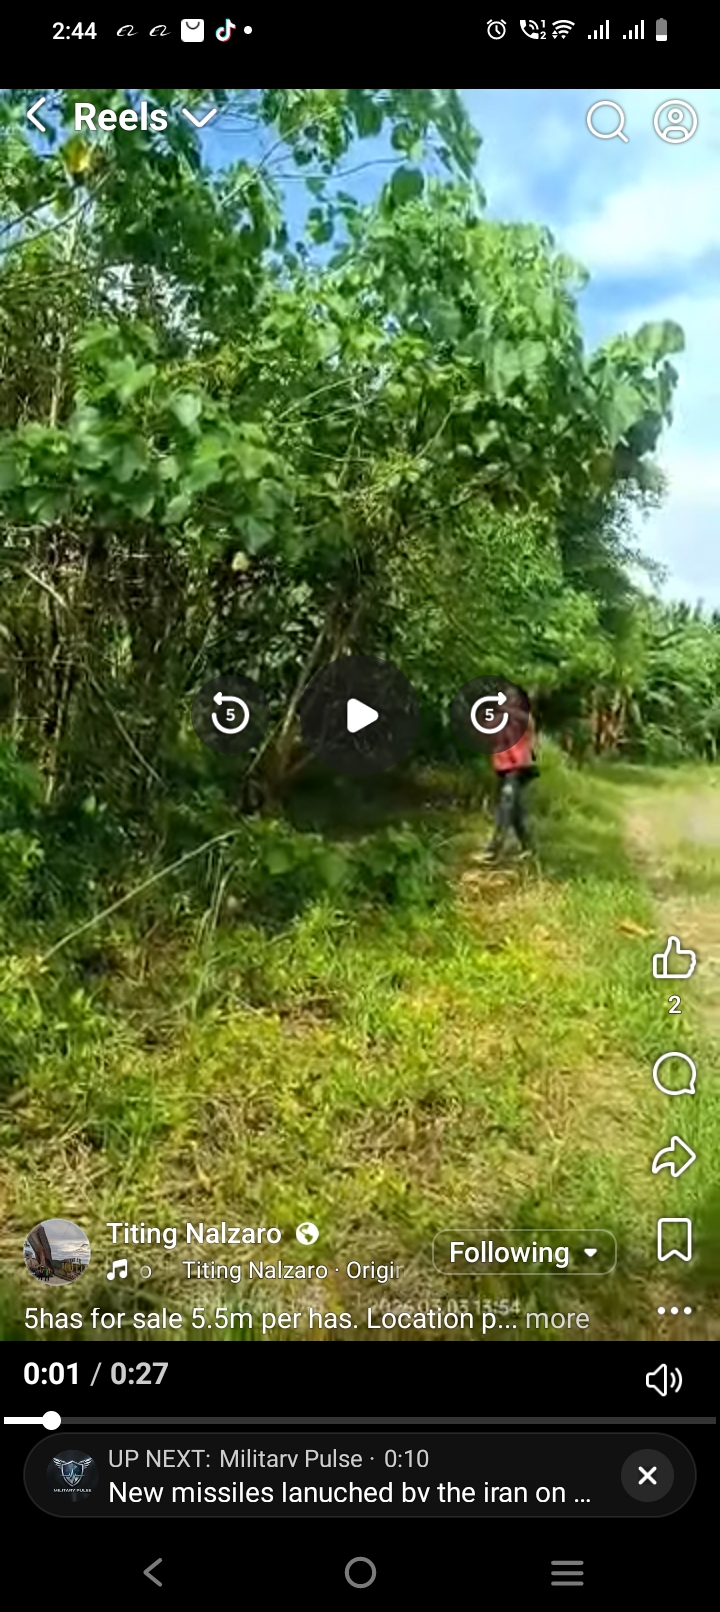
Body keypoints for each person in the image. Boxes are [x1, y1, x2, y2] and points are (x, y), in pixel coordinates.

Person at [486, 710, 537, 857]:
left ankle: (494, 848)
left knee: (506, 807)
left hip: (515, 767)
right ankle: (528, 847)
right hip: (502, 766)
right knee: (515, 810)